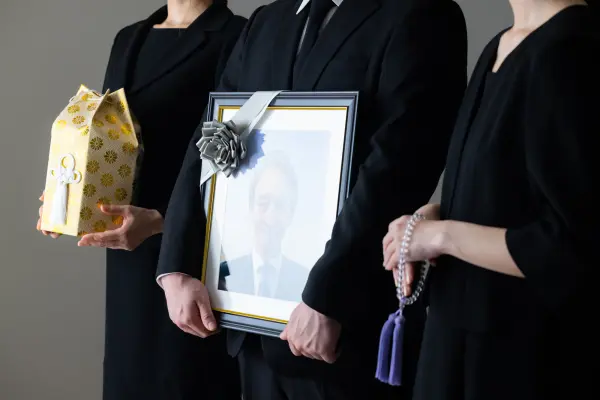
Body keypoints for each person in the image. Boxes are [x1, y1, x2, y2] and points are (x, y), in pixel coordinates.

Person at [157, 0, 468, 399]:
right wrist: (177, 265)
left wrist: (327, 296)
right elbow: (213, 136)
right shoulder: (266, 22)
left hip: (344, 333)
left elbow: (398, 167)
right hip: (252, 327)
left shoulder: (421, 14)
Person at [382, 1, 599, 399]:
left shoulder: (572, 51)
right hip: (455, 344)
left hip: (517, 361)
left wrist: (443, 236)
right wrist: (431, 218)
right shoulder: (501, 46)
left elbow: (571, 246)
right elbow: (508, 195)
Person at [37, 1, 247, 399]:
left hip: (192, 261)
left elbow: (242, 165)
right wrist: (69, 191)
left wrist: (162, 221)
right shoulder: (129, 39)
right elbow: (107, 142)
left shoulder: (239, 36)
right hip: (127, 266)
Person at [218, 153, 309, 302]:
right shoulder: (222, 274)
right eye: (263, 203)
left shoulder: (306, 282)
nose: (270, 217)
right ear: (251, 208)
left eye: (280, 205)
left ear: (291, 214)